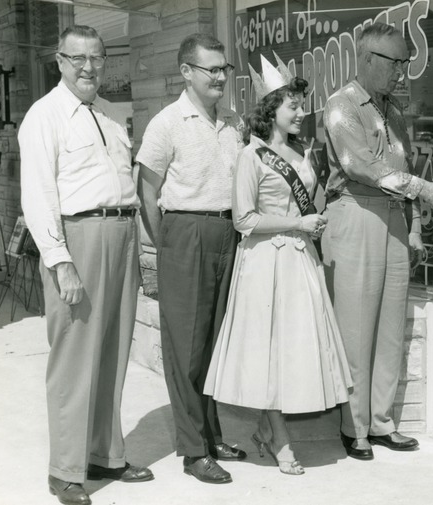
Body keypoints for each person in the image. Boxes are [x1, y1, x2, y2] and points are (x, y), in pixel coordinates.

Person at [19, 25, 153, 505]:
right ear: (60, 61)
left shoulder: (109, 115)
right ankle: (65, 471)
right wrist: (61, 262)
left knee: (112, 353)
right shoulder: (44, 116)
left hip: (121, 235)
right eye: (78, 59)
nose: (89, 67)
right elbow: (39, 197)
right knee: (74, 358)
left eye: (96, 58)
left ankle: (104, 454)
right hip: (78, 240)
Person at [203, 53, 352, 475]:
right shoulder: (252, 156)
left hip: (299, 260)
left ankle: (271, 432)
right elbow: (244, 219)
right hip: (265, 262)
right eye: (294, 106)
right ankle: (279, 436)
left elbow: (306, 205)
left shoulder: (302, 152)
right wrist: (298, 221)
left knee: (294, 350)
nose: (302, 113)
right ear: (271, 110)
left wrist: (320, 209)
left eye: (302, 106)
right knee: (268, 351)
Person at [321, 23, 433, 460]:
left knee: (390, 327)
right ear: (368, 59)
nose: (403, 73)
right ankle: (354, 427)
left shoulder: (393, 111)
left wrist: (413, 226)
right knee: (356, 327)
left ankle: (381, 423)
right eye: (396, 63)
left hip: (394, 217)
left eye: (407, 64)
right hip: (356, 214)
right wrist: (421, 189)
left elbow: (406, 165)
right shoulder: (342, 105)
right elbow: (359, 165)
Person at [136, 33, 246, 485]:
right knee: (186, 348)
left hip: (227, 232)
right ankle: (193, 449)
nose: (221, 76)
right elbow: (146, 190)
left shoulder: (234, 122)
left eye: (225, 69)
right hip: (184, 233)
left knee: (216, 344)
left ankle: (211, 434)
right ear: (186, 72)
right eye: (212, 69)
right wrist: (167, 247)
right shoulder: (166, 122)